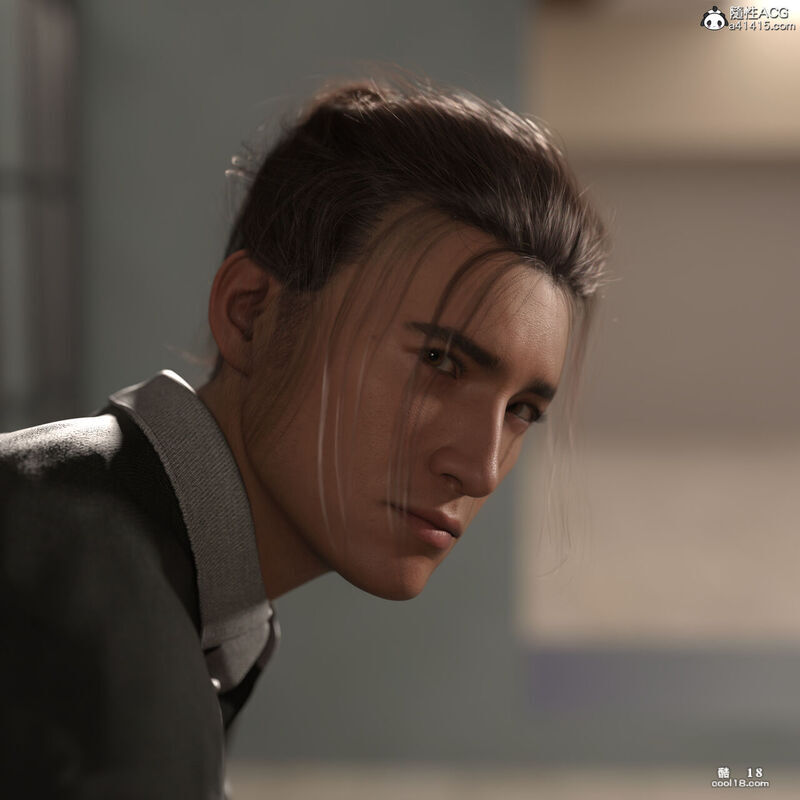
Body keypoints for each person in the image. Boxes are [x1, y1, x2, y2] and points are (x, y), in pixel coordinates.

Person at [0, 74, 608, 798]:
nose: (479, 469)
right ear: (250, 313)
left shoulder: (85, 528)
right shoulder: (99, 637)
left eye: (522, 410)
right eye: (439, 362)